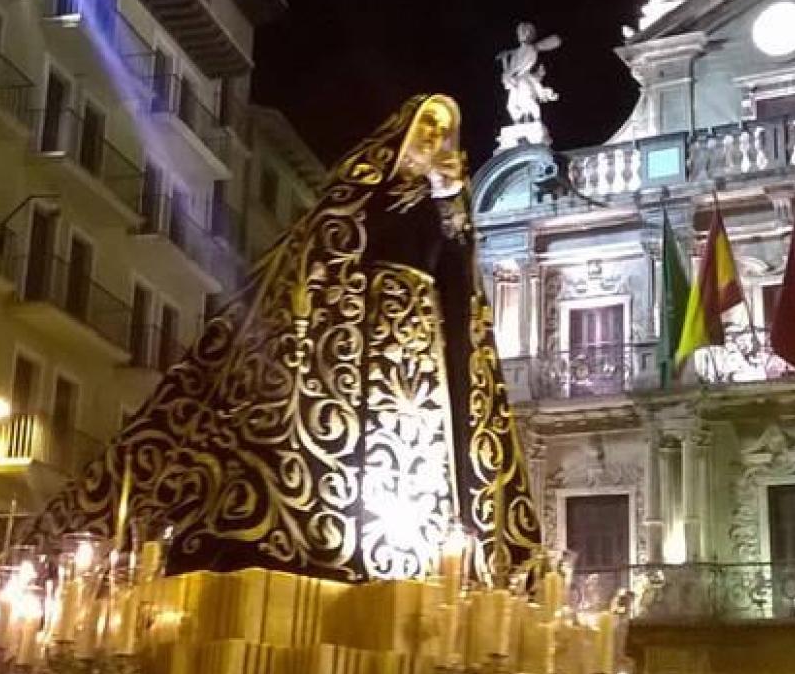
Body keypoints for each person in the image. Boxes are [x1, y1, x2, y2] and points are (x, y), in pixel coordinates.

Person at [35, 95, 542, 582]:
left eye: (443, 133)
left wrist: (451, 202)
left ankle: (410, 557)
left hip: (419, 352)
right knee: (359, 450)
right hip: (360, 340)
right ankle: (339, 545)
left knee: (414, 458)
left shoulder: (444, 208)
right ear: (402, 134)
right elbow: (322, 247)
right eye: (425, 128)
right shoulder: (363, 191)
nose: (434, 139)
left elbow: (458, 276)